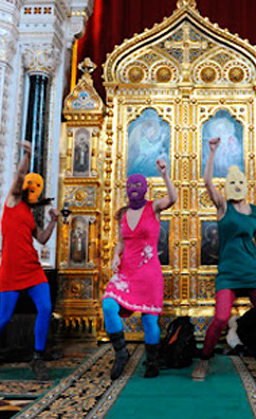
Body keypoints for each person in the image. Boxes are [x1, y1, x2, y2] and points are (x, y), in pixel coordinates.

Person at [191, 137, 256, 381]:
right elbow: (207, 182)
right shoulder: (222, 206)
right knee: (220, 318)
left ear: (246, 185)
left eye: (240, 182)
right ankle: (204, 360)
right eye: (233, 183)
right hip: (228, 272)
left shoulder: (255, 211)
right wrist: (212, 151)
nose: (237, 186)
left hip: (251, 271)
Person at [0, 141, 59, 380]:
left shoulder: (30, 214)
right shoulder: (12, 201)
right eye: (30, 184)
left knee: (45, 308)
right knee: (4, 316)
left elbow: (42, 239)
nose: (32, 188)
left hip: (33, 269)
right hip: (11, 270)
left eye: (37, 186)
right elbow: (20, 175)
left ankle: (37, 357)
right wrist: (28, 154)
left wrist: (53, 221)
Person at [101, 159, 177, 380]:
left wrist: (165, 175)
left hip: (149, 274)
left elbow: (173, 198)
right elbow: (121, 243)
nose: (134, 189)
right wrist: (115, 256)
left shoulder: (153, 207)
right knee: (108, 305)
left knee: (149, 320)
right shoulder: (122, 215)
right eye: (130, 186)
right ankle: (121, 353)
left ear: (144, 188)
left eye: (138, 185)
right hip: (126, 272)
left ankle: (152, 361)